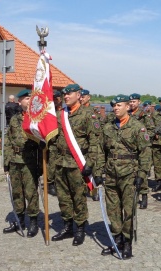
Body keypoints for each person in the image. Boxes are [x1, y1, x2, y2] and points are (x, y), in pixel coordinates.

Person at [51, 83, 104, 246]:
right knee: (63, 197)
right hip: (61, 163)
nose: (66, 97)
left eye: (69, 94)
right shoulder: (61, 114)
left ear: (79, 95)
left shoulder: (89, 114)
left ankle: (80, 228)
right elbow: (55, 141)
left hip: (78, 163)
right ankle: (68, 226)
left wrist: (91, 164)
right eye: (64, 95)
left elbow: (96, 142)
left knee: (78, 197)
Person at [100, 94, 152, 259]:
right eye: (114, 105)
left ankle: (127, 242)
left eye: (119, 105)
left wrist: (142, 174)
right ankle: (117, 240)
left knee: (128, 210)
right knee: (113, 209)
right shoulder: (108, 128)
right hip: (111, 173)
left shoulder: (138, 127)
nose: (115, 108)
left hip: (129, 174)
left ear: (128, 107)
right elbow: (101, 151)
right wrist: (98, 171)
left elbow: (145, 152)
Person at [3, 89, 40, 238]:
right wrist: (6, 162)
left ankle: (33, 221)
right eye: (25, 99)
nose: (28, 101)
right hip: (14, 160)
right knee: (17, 192)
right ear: (19, 102)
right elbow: (8, 141)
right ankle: (19, 220)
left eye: (30, 98)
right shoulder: (14, 119)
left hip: (29, 161)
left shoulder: (37, 119)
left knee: (31, 192)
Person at [128, 93, 155, 209]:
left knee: (141, 172)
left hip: (141, 148)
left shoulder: (145, 116)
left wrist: (143, 138)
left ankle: (144, 196)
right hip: (128, 149)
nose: (132, 103)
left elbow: (152, 131)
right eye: (130, 102)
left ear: (139, 102)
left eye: (134, 101)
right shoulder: (127, 115)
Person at [46, 90, 62, 197]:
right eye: (53, 99)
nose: (55, 101)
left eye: (57, 98)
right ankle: (50, 184)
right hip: (52, 143)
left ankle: (59, 183)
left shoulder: (65, 112)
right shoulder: (49, 112)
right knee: (51, 164)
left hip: (63, 143)